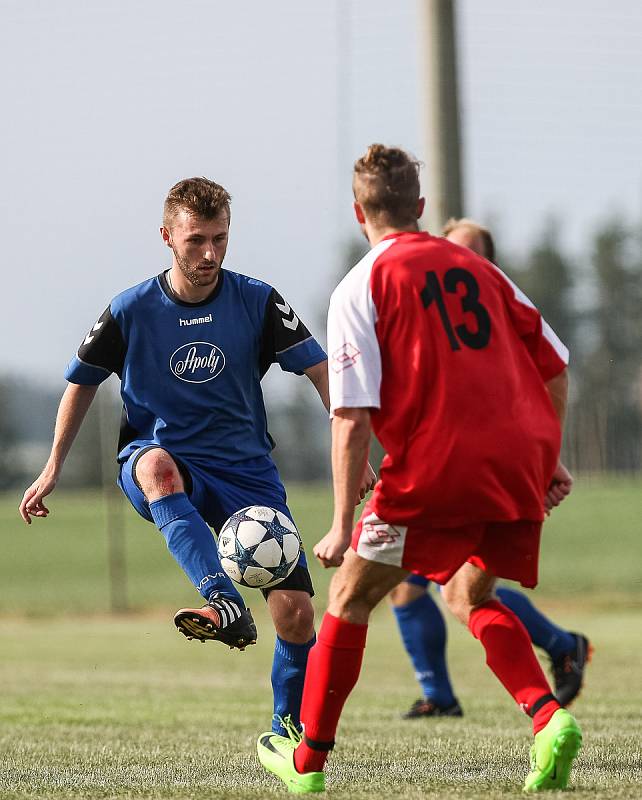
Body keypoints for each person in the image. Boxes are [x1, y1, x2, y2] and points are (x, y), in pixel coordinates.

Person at [256, 145, 582, 793]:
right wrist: (545, 458)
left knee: (349, 598)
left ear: (359, 212)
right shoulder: (479, 269)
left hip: (435, 467)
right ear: (422, 209)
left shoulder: (362, 284)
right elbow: (554, 364)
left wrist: (342, 521)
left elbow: (350, 416)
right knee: (470, 594)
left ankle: (308, 764)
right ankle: (549, 720)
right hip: (513, 463)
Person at [18, 176, 375, 738]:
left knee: (297, 614)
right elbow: (81, 383)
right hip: (159, 459)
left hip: (244, 469)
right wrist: (52, 466)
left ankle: (287, 734)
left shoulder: (257, 300)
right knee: (157, 466)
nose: (209, 254)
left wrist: (352, 451)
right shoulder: (130, 308)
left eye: (220, 239)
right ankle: (221, 600)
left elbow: (321, 371)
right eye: (196, 241)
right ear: (167, 236)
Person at [389, 218, 591, 720]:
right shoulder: (439, 314)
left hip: (487, 469)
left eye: (473, 254)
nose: (461, 262)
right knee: (427, 586)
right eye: (451, 251)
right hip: (443, 465)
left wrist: (546, 461)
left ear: (490, 264)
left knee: (460, 589)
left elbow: (550, 376)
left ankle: (555, 654)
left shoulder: (502, 314)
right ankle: (450, 691)